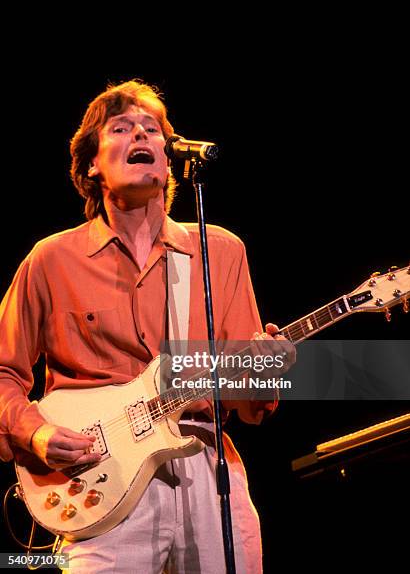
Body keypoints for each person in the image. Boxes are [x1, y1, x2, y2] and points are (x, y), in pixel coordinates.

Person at [0, 79, 296, 573]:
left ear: (168, 154)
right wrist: (37, 435)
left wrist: (269, 370)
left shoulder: (219, 250)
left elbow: (250, 402)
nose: (141, 134)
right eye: (121, 127)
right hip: (96, 478)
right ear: (93, 163)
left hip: (203, 463)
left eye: (152, 128)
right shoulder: (51, 260)